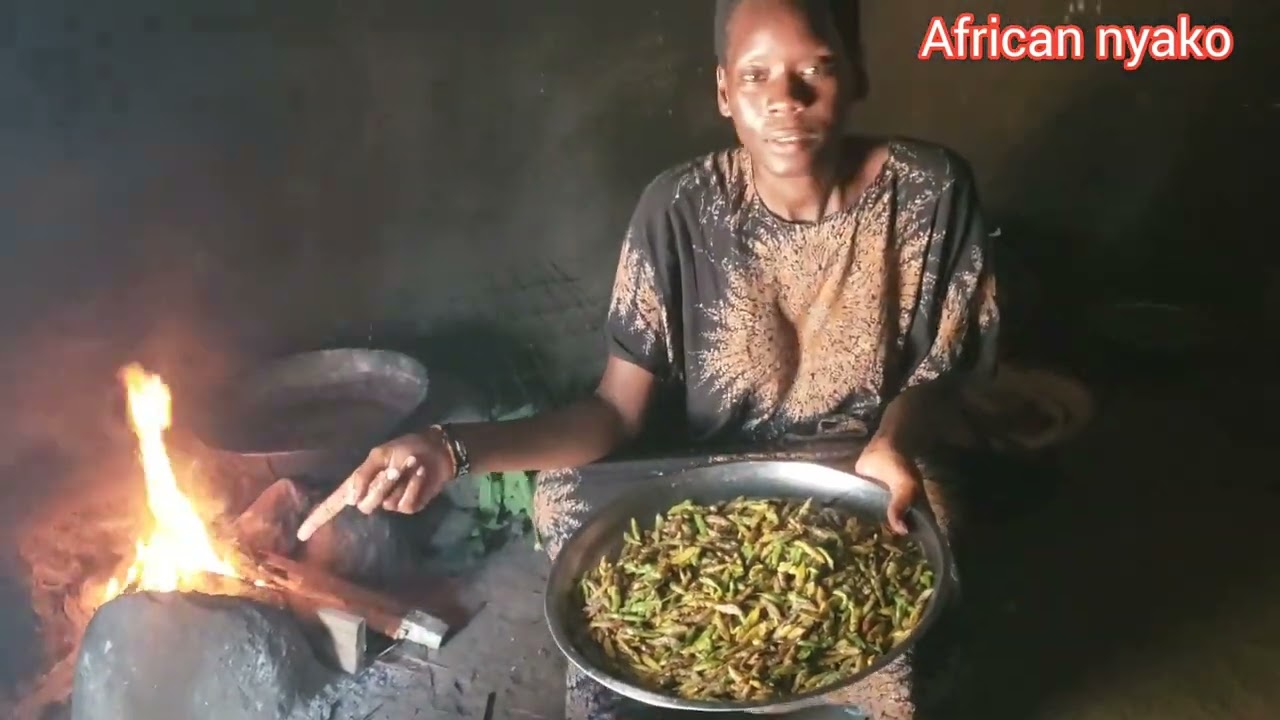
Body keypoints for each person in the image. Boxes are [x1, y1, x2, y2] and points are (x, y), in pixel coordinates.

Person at [298, 0, 1000, 716]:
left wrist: (893, 442)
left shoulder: (929, 191)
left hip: (866, 470)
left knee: (917, 552)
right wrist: (451, 448)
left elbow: (944, 369)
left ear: (854, 75)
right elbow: (614, 412)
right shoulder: (679, 208)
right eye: (756, 76)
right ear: (724, 90)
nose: (784, 102)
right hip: (709, 474)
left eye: (813, 71)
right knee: (565, 498)